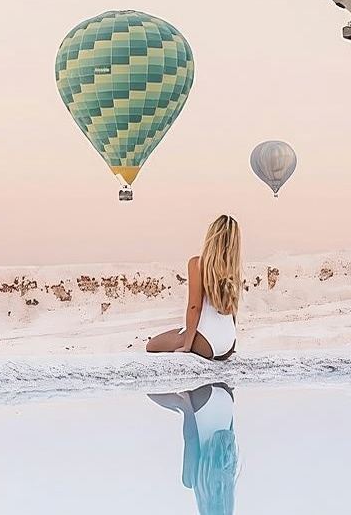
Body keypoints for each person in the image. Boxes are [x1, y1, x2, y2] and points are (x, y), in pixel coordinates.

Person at [146, 214, 241, 359]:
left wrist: (187, 346)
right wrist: (231, 340)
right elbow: (233, 310)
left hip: (207, 343)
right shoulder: (233, 268)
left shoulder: (198, 264)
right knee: (179, 332)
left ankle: (187, 337)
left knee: (152, 345)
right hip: (228, 344)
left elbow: (194, 307)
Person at [148, 383, 239, 515]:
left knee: (174, 407)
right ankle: (184, 402)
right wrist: (186, 407)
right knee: (152, 395)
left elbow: (230, 430)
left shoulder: (229, 477)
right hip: (204, 398)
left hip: (226, 396)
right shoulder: (192, 481)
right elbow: (191, 438)